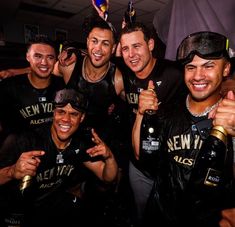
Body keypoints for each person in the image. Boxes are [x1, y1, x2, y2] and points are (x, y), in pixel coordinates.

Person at [132, 31, 234, 226]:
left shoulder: (231, 116)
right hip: (161, 215)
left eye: (208, 66)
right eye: (190, 67)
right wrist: (141, 114)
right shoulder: (169, 111)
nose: (198, 76)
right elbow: (141, 154)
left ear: (226, 68)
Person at [0, 88, 118, 227]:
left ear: (82, 118)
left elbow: (108, 177)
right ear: (54, 113)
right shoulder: (23, 140)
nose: (66, 119)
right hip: (17, 211)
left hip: (52, 208)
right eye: (61, 112)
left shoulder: (79, 144)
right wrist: (12, 171)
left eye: (74, 114)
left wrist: (110, 157)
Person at [116, 21, 187, 225]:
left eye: (137, 46)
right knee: (141, 214)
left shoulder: (174, 73)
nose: (131, 54)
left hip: (171, 165)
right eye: (126, 48)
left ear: (151, 44)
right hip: (138, 165)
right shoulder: (125, 72)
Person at [0, 34, 65, 137]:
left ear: (55, 60)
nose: (44, 62)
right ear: (28, 57)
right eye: (38, 56)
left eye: (50, 57)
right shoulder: (9, 88)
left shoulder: (63, 86)